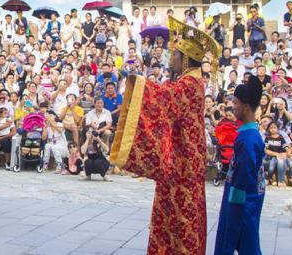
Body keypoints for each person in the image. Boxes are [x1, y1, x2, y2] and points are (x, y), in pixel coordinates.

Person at [110, 16, 221, 254]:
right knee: (178, 213)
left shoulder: (189, 84)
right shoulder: (193, 82)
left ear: (187, 59)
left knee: (180, 215)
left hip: (183, 164)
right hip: (186, 158)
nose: (173, 60)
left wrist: (136, 82)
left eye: (177, 56)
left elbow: (164, 98)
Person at [215, 77, 266, 254]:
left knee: (246, 246)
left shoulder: (249, 139)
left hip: (243, 203)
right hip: (246, 200)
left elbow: (243, 180)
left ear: (245, 106)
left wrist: (233, 211)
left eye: (235, 103)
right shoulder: (249, 134)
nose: (232, 107)